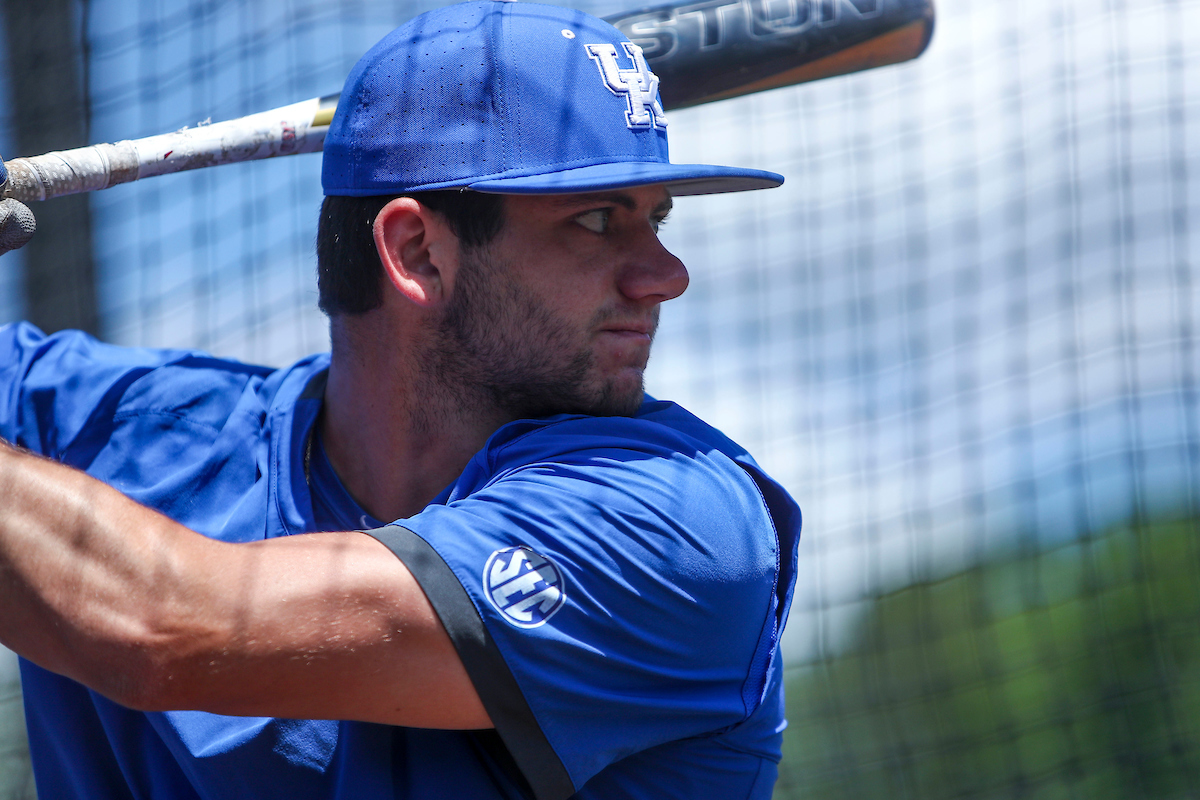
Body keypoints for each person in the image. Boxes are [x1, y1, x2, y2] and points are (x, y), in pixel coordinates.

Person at [0, 1, 801, 798]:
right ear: (418, 251)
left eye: (657, 219)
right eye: (597, 221)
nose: (666, 275)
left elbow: (167, 628)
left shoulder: (679, 526)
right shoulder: (134, 429)